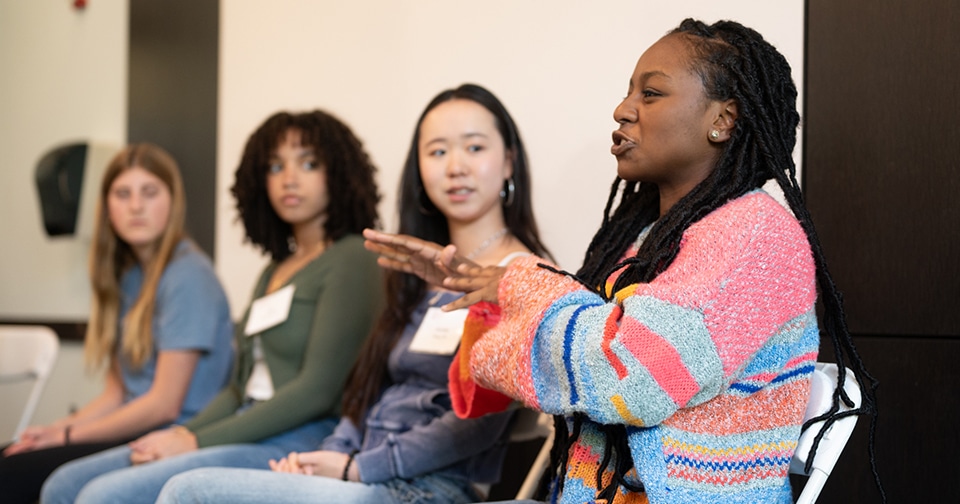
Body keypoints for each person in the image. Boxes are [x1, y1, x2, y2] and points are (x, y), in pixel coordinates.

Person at [363, 19, 882, 504]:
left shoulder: (754, 234)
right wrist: (493, 294)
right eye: (629, 91)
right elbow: (586, 346)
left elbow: (631, 377)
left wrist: (522, 285)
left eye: (651, 93)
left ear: (722, 119)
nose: (623, 109)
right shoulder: (645, 239)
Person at [154, 83, 552, 504]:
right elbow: (367, 393)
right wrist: (332, 454)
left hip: (427, 488)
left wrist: (356, 468)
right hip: (363, 473)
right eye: (437, 152)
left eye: (474, 148)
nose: (455, 167)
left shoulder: (524, 276)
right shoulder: (413, 274)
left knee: (190, 493)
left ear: (509, 161)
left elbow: (476, 424)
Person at [40, 110, 384, 504]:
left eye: (308, 163)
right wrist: (182, 435)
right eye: (275, 166)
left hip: (302, 438)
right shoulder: (273, 270)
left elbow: (316, 391)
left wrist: (195, 439)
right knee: (62, 484)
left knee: (103, 496)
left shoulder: (354, 258)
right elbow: (238, 388)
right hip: (242, 424)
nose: (289, 178)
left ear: (338, 173)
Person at [0, 143, 234, 504]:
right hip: (135, 429)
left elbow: (163, 405)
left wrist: (67, 437)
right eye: (122, 194)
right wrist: (54, 429)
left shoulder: (188, 275)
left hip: (167, 435)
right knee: (13, 454)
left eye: (149, 193)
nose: (136, 206)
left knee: (13, 477)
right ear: (107, 206)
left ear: (173, 202)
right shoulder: (126, 278)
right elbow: (116, 394)